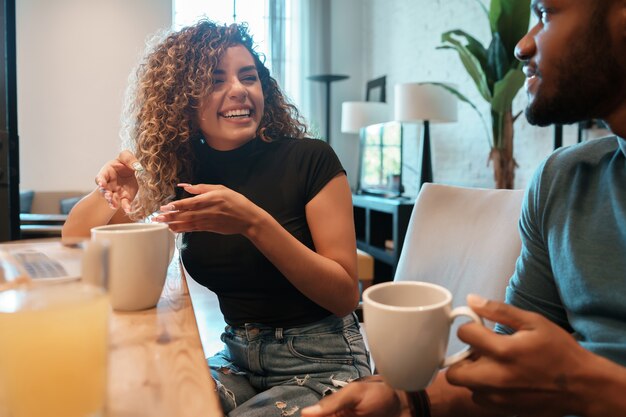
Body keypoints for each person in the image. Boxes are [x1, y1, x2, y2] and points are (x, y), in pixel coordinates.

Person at [301, 0, 626, 416]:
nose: (522, 46)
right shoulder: (561, 182)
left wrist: (587, 383)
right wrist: (405, 401)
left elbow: (560, 381)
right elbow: (507, 375)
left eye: (545, 13)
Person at [62, 20, 371, 416]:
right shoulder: (184, 172)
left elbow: (346, 293)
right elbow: (75, 237)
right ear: (183, 101)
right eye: (215, 80)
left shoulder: (311, 159)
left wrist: (253, 223)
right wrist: (113, 192)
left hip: (325, 362)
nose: (239, 89)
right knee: (146, 402)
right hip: (238, 359)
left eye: (249, 77)